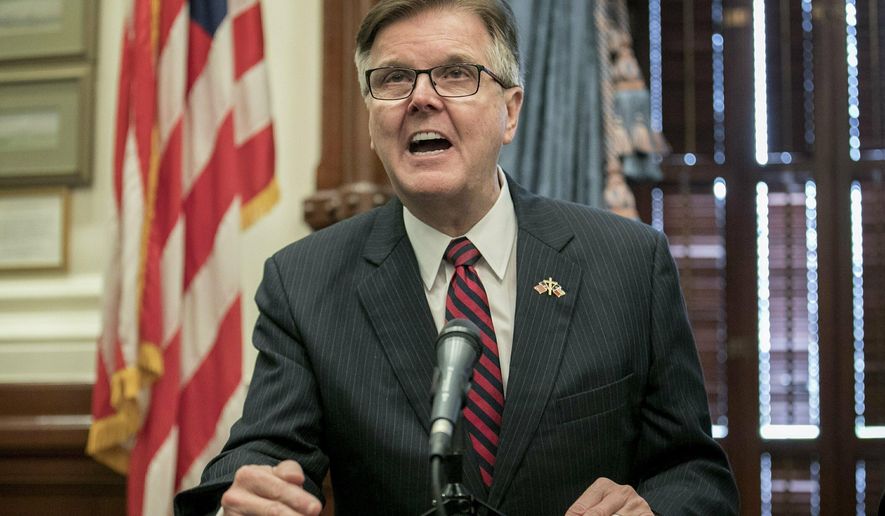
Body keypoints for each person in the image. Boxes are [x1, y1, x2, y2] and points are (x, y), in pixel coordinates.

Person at [174, 1, 739, 514]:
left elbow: (694, 472)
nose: (421, 98)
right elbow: (259, 460)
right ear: (372, 120)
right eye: (393, 78)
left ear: (510, 112)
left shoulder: (628, 263)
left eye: (456, 74)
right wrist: (237, 503)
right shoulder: (305, 281)